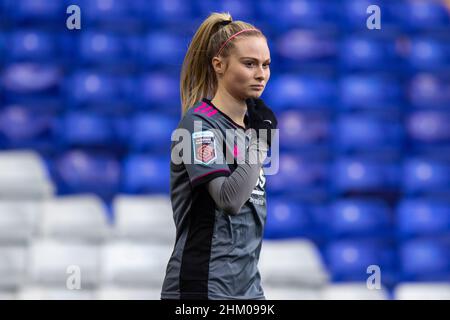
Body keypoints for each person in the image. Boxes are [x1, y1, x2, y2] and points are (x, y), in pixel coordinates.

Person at [161, 11, 277, 300]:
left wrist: (256, 137)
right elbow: (229, 199)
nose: (260, 74)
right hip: (201, 289)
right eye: (249, 64)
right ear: (219, 65)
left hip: (249, 291)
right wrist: (261, 142)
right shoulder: (197, 126)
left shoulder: (250, 129)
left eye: (265, 65)